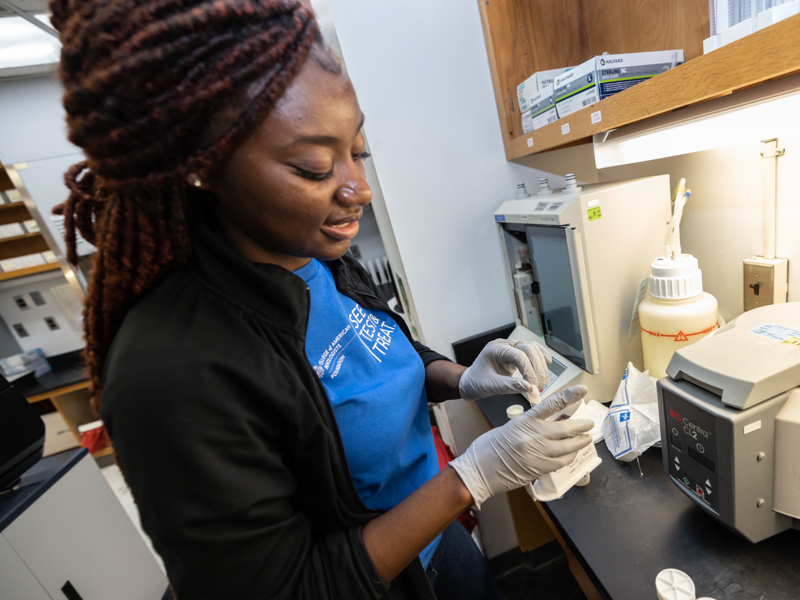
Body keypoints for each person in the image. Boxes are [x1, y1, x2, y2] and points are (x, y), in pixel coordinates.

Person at [50, 1, 594, 599]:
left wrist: (462, 378)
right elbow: (288, 589)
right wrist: (471, 480)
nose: (357, 189)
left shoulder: (316, 252)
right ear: (201, 167)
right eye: (313, 168)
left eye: (358, 150)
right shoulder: (171, 368)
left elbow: (377, 349)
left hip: (440, 546)